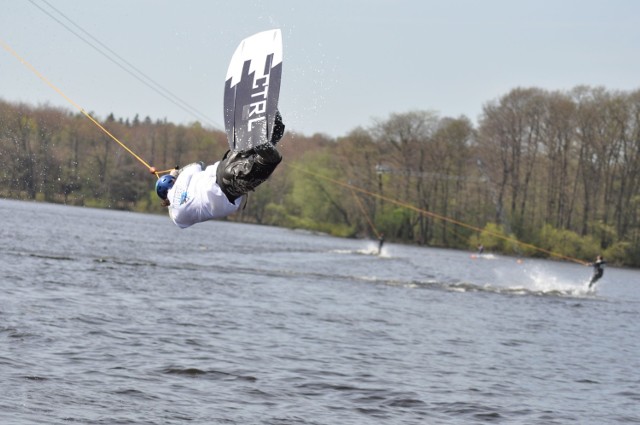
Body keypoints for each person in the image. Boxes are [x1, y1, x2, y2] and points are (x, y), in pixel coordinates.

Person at [155, 112, 285, 229]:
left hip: (230, 188)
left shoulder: (177, 216)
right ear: (173, 181)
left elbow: (175, 218)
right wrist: (176, 172)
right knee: (271, 134)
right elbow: (197, 164)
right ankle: (270, 119)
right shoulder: (184, 177)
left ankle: (261, 142)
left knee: (268, 161)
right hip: (225, 165)